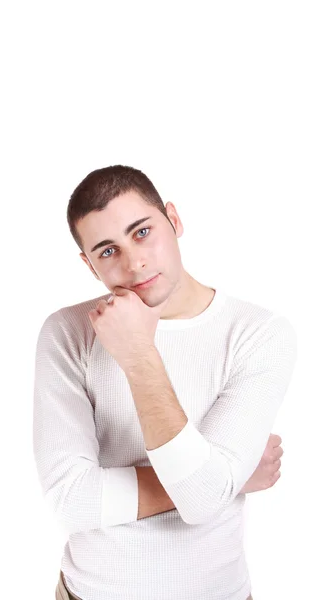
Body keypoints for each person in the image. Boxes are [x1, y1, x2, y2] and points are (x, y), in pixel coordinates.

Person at [33, 165, 297, 600]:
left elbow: (202, 498)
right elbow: (72, 500)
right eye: (107, 251)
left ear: (173, 220)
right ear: (88, 264)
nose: (133, 262)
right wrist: (222, 479)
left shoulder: (258, 333)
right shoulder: (67, 331)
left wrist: (139, 355)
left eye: (141, 232)